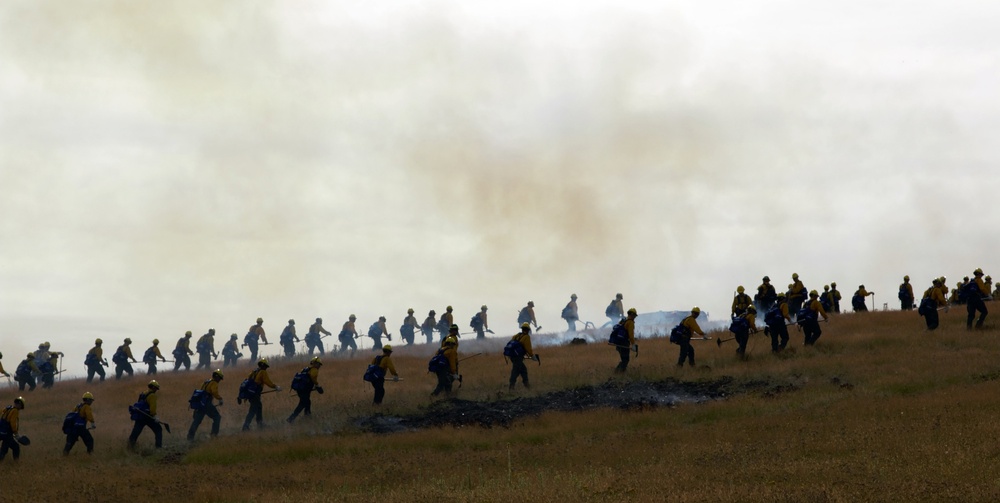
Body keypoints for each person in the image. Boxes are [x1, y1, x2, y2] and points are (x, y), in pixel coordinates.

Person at [241, 358, 280, 431]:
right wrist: (275, 386)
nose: (266, 368)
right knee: (253, 410)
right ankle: (246, 426)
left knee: (259, 407)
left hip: (251, 394)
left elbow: (248, 381)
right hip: (255, 394)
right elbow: (267, 381)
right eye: (266, 366)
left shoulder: (254, 371)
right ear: (263, 365)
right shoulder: (262, 372)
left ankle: (260, 424)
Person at [187, 369, 224, 441]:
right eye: (219, 378)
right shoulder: (214, 383)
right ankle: (214, 436)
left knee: (197, 421)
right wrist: (220, 398)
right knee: (217, 417)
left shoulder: (207, 381)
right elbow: (214, 392)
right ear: (216, 376)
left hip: (201, 403)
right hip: (207, 404)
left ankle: (190, 437)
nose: (220, 380)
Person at [127, 380, 163, 450]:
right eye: (156, 388)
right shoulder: (152, 395)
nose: (156, 390)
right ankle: (158, 448)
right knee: (158, 430)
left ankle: (129, 447)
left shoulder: (143, 393)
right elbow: (152, 409)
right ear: (152, 387)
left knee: (135, 432)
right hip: (148, 417)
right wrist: (155, 417)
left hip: (140, 416)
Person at [288, 357, 323, 422]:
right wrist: (317, 385)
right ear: (315, 363)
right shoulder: (314, 370)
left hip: (301, 390)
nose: (319, 366)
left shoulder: (305, 369)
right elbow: (312, 377)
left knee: (307, 402)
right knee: (303, 403)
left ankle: (307, 416)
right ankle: (291, 418)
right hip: (305, 390)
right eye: (319, 364)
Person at [508, 322, 536, 390]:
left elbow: (510, 344)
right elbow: (528, 348)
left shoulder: (516, 335)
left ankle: (525, 385)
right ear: (528, 330)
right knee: (517, 370)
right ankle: (513, 386)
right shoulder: (526, 337)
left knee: (521, 370)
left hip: (512, 356)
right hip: (518, 357)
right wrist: (532, 356)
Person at [0, 397, 26, 461]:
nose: (20, 408)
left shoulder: (8, 408)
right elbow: (13, 423)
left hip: (1, 431)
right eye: (21, 406)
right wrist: (16, 433)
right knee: (15, 447)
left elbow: (1, 414)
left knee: (5, 448)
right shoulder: (15, 411)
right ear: (20, 404)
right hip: (7, 434)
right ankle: (16, 463)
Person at [615, 308, 639, 372]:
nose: (635, 317)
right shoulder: (630, 322)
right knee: (625, 360)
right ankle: (618, 372)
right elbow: (631, 335)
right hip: (624, 343)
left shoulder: (623, 321)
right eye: (634, 315)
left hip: (618, 343)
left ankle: (619, 372)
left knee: (623, 359)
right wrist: (633, 344)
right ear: (632, 314)